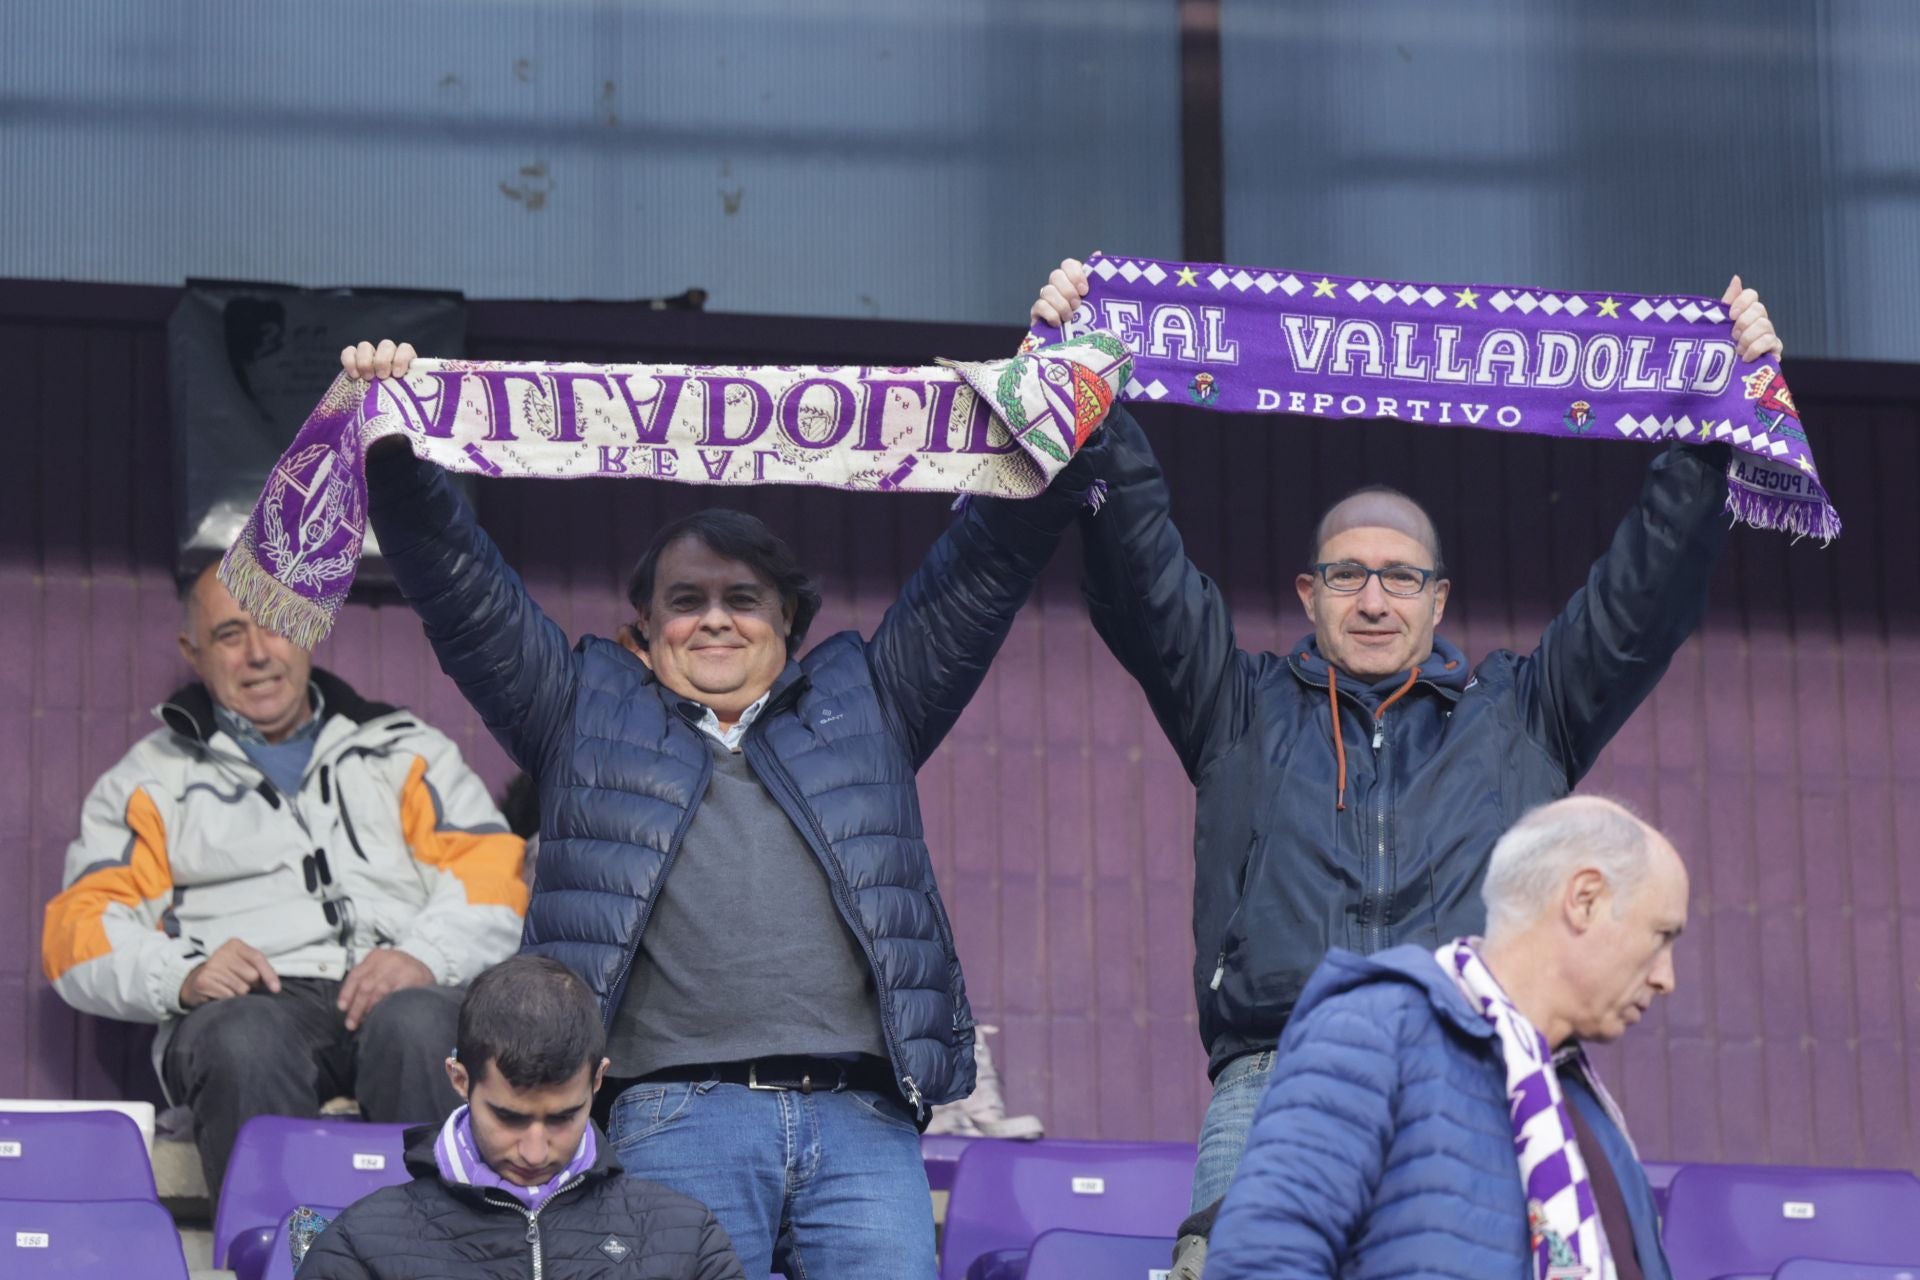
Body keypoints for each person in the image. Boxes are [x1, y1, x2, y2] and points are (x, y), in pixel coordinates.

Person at [1032, 260, 1781, 1267]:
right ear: (1308, 593)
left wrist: (1709, 419)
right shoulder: (1237, 707)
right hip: (1274, 1070)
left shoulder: (1524, 712)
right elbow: (1142, 567)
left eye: (1400, 578)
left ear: (1439, 598)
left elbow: (1640, 597)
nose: (1374, 600)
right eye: (1348, 575)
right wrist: (1089, 381)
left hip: (1471, 1069)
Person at [340, 337, 1114, 1278]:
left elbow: (984, 567)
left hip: (863, 1119)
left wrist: (1058, 391)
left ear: (789, 620)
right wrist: (389, 445)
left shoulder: (869, 704)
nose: (713, 618)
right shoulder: (583, 712)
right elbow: (461, 591)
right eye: (685, 599)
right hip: (676, 1115)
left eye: (742, 598)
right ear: (644, 626)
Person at [41, 564, 527, 1197]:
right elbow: (78, 931)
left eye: (274, 624)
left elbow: (495, 879)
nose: (258, 653)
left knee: (423, 1026)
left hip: (399, 988)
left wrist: (424, 954)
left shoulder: (407, 750)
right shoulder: (148, 781)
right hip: (253, 1004)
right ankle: (272, 1256)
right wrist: (179, 974)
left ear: (307, 627)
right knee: (243, 1039)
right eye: (229, 634)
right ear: (193, 652)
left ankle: (441, 1256)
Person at [1206, 796, 1684, 1280]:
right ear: (1584, 899)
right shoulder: (1377, 1029)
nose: (1667, 978)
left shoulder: (1583, 1108)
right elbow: (1260, 1263)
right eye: (1661, 935)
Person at [296, 955, 745, 1280]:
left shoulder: (686, 1238)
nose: (534, 1150)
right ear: (459, 1079)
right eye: (509, 1118)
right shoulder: (361, 1245)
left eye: (561, 1118)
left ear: (597, 1081)